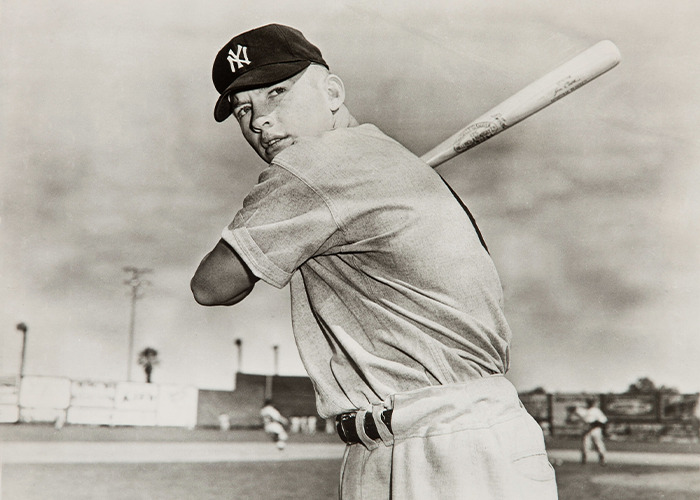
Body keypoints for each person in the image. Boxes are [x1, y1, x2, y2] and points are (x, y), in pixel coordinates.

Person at [191, 23, 558, 499]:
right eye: (243, 109)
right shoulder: (383, 157)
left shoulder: (314, 166)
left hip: (440, 444)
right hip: (455, 435)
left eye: (277, 92)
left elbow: (212, 286)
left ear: (332, 92)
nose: (260, 120)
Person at [573, 398, 608, 465]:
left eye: (591, 402)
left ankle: (603, 459)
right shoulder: (584, 410)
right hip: (587, 430)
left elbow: (603, 421)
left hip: (595, 429)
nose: (590, 403)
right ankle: (584, 460)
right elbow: (575, 410)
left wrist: (592, 425)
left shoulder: (596, 410)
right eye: (589, 402)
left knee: (598, 444)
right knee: (585, 445)